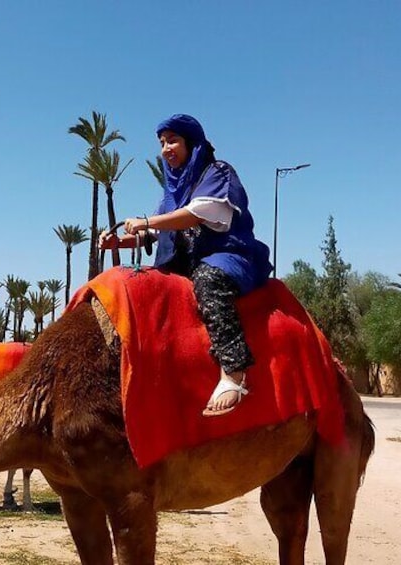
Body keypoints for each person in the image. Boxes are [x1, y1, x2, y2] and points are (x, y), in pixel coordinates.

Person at [100, 113, 272, 417]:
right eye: (162, 143)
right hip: (184, 265)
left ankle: (234, 372)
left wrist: (146, 222)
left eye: (173, 140)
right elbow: (155, 233)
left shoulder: (218, 173)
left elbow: (198, 214)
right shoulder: (171, 192)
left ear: (192, 144)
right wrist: (119, 243)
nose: (166, 148)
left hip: (227, 256)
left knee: (209, 280)